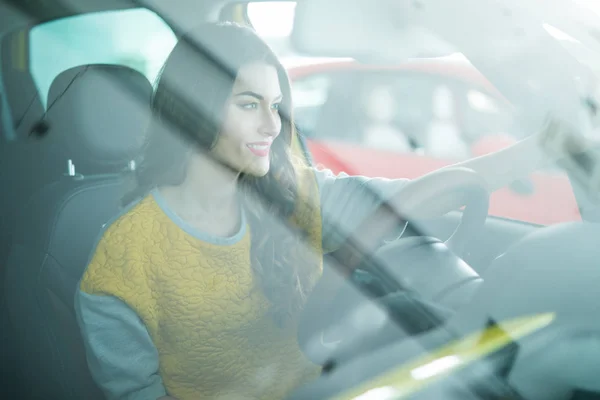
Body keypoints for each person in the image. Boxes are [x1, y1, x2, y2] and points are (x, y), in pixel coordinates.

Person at [75, 22, 563, 400]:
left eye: (276, 104)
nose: (272, 124)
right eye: (249, 104)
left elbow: (418, 196)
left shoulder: (298, 195)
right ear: (195, 107)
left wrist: (544, 149)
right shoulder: (122, 262)